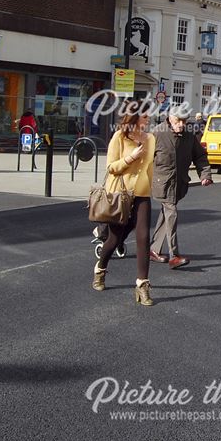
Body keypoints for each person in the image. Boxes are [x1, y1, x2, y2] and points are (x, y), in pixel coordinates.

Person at [93, 109, 157, 306]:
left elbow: (149, 168)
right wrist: (131, 157)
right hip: (120, 195)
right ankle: (100, 269)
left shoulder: (151, 138)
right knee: (114, 239)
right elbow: (111, 167)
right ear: (135, 117)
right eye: (145, 116)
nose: (149, 119)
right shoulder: (119, 137)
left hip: (142, 194)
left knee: (144, 237)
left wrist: (151, 185)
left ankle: (142, 285)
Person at [150, 111, 213, 269]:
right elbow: (144, 158)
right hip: (162, 183)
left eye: (184, 121)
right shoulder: (157, 133)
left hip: (179, 183)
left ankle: (153, 250)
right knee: (172, 214)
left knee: (166, 215)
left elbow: (200, 156)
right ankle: (174, 256)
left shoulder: (189, 136)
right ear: (170, 119)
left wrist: (205, 175)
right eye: (178, 121)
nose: (181, 125)